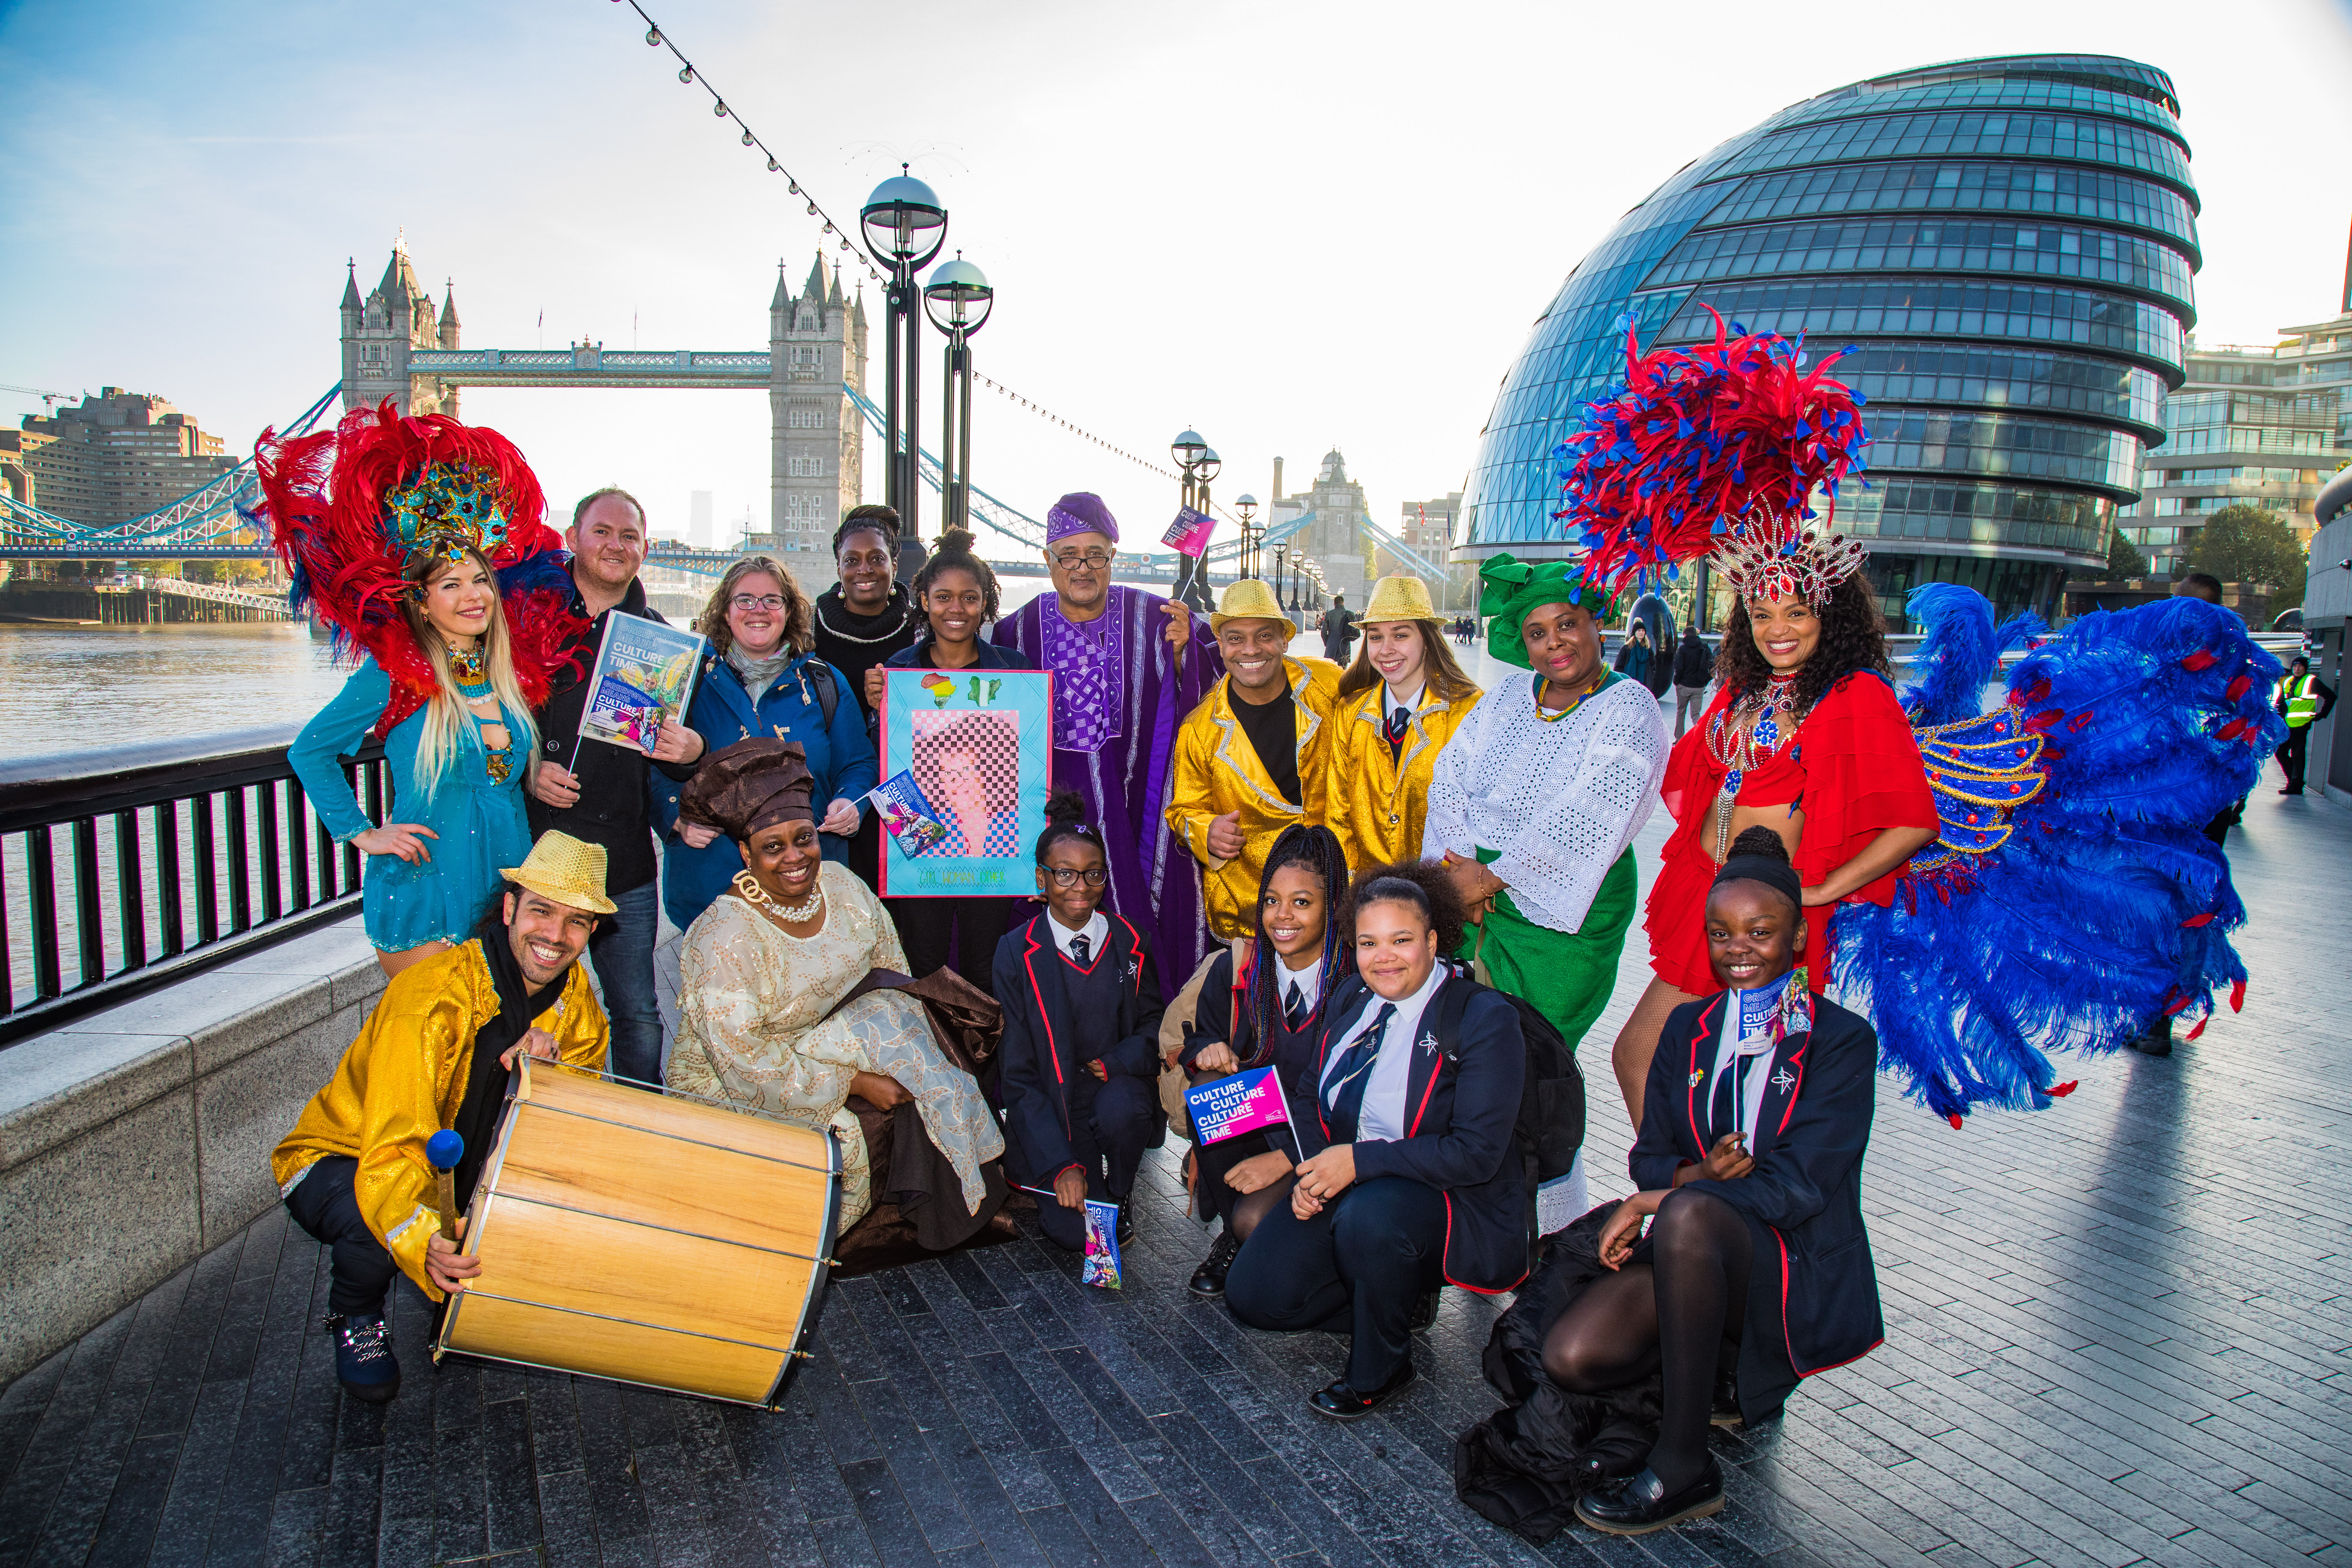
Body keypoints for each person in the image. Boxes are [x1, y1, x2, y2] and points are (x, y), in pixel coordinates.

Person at [1549, 831, 1882, 1534]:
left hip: (1786, 1267)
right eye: (1721, 931)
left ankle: (1683, 1463)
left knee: (1690, 1218)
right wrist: (1691, 1176)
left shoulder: (1841, 1040)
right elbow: (1651, 1153)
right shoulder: (1688, 1028)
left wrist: (1665, 1198)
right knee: (1571, 1355)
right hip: (1690, 1250)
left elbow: (1797, 1190)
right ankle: (1708, 1368)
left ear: (1796, 936)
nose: (1739, 947)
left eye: (1760, 931)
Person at [271, 831, 615, 1402]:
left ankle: (449, 1281)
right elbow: (392, 1142)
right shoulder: (429, 995)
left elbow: (569, 1137)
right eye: (542, 911)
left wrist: (547, 1080)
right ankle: (356, 1313)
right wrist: (426, 1238)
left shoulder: (578, 1007)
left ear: (592, 933)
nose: (555, 936)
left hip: (450, 1171)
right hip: (345, 1156)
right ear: (509, 909)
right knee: (370, 1218)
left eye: (576, 922)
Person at [1609, 530, 1936, 1125]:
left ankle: (1693, 1203)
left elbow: (1912, 822)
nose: (1777, 628)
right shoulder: (1742, 687)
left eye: (1796, 612)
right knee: (1687, 1070)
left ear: (1827, 615)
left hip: (1768, 917)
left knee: (1691, 1067)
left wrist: (1816, 892)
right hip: (1707, 896)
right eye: (1761, 613)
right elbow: (1695, 782)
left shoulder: (1855, 695)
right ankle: (1690, 1199)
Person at [267, 402, 582, 980]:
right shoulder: (395, 675)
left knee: (493, 1060)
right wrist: (363, 833)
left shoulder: (507, 679)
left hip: (504, 895)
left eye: (480, 580)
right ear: (423, 601)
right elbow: (310, 753)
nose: (473, 595)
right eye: (451, 584)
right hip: (426, 894)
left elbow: (505, 786)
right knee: (433, 1059)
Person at [1223, 870, 1527, 1419]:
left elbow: (1475, 1154)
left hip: (1448, 1200)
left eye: (1401, 940)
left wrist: (1356, 1163)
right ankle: (1393, 1296)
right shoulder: (1353, 995)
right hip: (1356, 1183)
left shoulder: (1483, 1018)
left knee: (1371, 1216)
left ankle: (1382, 1367)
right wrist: (1316, 1172)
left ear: (1434, 941)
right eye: (1369, 943)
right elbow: (1307, 1093)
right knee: (1255, 1299)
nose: (1383, 958)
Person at [666, 739, 1004, 1234]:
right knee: (844, 1129)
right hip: (737, 1081)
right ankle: (818, 1239)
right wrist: (856, 1081)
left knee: (923, 1054)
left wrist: (897, 1051)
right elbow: (745, 1065)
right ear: (745, 853)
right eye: (772, 847)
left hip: (828, 1045)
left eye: (804, 838)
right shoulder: (724, 937)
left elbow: (891, 974)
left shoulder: (842, 885)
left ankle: (961, 1195)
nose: (794, 858)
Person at [1424, 555, 1670, 1058]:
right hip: (1472, 891)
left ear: (1597, 624)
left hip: (1567, 909)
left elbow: (1591, 815)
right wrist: (1458, 872)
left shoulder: (1630, 705)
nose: (1553, 642)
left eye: (1566, 624)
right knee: (1461, 1047)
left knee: (1535, 1056)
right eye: (1536, 633)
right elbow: (1450, 776)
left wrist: (1489, 880)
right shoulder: (1509, 693)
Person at [994, 493, 1224, 978]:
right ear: (1048, 560)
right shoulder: (1014, 632)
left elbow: (1228, 673)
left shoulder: (1159, 618)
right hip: (1047, 808)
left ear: (1112, 558)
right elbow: (957, 683)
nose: (1083, 567)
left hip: (1136, 802)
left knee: (1140, 926)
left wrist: (1187, 654)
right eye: (1069, 556)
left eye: (1095, 554)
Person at [524, 487, 707, 1084]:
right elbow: (486, 722)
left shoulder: (662, 643)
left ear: (644, 551)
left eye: (629, 536)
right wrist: (529, 770)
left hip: (623, 861)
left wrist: (690, 753)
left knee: (638, 1014)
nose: (615, 545)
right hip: (537, 850)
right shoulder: (526, 624)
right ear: (572, 538)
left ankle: (639, 1124)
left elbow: (674, 759)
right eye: (602, 531)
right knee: (530, 1008)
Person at [1175, 824, 1354, 1298]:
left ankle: (1366, 1267)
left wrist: (1289, 1159)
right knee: (1208, 1086)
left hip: (1330, 1139)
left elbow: (1362, 1101)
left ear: (1332, 907)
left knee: (1255, 1223)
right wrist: (1206, 1050)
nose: (1282, 916)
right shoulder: (1238, 969)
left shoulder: (1357, 983)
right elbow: (1198, 1041)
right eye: (1272, 900)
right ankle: (1232, 1238)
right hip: (1261, 1126)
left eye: (1302, 902)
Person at [654, 555, 877, 933]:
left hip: (809, 884)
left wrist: (852, 800)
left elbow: (858, 763)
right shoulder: (684, 681)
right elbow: (648, 763)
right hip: (715, 891)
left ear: (788, 612)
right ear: (725, 612)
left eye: (772, 600)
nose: (758, 610)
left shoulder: (825, 681)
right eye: (745, 600)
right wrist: (675, 818)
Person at [995, 791, 1167, 1250]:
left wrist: (1116, 1062)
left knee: (1126, 1109)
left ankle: (1119, 1190)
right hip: (1056, 1109)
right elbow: (1017, 1074)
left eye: (1093, 874)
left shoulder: (1131, 940)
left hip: (1114, 1092)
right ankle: (1081, 1179)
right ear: (1042, 878)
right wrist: (1061, 1164)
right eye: (1065, 874)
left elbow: (1155, 1025)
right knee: (1076, 1236)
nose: (1080, 886)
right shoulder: (1015, 951)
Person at [868, 528, 1031, 994]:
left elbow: (1028, 760)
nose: (955, 609)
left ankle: (986, 1066)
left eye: (969, 598)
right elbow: (886, 763)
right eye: (942, 597)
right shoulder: (898, 670)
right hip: (919, 846)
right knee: (923, 964)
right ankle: (928, 1064)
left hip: (996, 847)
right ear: (923, 599)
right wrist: (874, 709)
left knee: (987, 967)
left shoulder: (1015, 671)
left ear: (985, 603)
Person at [1166, 579, 1344, 940]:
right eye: (1235, 639)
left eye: (1264, 636)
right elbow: (1183, 810)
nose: (1250, 650)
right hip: (1250, 906)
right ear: (1220, 646)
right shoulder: (1200, 729)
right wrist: (1207, 831)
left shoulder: (1329, 684)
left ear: (1284, 639)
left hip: (1337, 897)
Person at [1326, 574, 1483, 872]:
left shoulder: (1470, 710)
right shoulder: (1349, 711)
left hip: (1441, 897)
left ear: (1427, 639)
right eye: (1376, 637)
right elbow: (1338, 812)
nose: (1386, 650)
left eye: (1400, 635)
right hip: (1367, 897)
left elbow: (1479, 817)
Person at [812, 505, 922, 890]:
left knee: (906, 894)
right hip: (834, 789)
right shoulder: (807, 631)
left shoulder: (925, 631)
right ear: (838, 567)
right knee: (841, 895)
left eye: (877, 559)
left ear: (894, 564)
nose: (865, 569)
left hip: (908, 787)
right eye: (852, 560)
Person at [2274, 655, 2333, 796]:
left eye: (2300, 666)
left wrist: (2321, 714)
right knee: (2281, 752)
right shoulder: (2288, 681)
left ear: (2305, 668)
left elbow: (2331, 696)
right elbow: (2282, 703)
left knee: (2297, 754)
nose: (2297, 669)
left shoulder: (2311, 681)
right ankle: (2295, 782)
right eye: (2295, 666)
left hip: (2302, 723)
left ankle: (2295, 785)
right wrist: (2277, 718)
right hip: (2288, 724)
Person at [1670, 624, 1713, 740]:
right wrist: (1706, 680)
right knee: (1696, 715)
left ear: (1685, 635)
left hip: (1684, 685)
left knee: (1681, 713)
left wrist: (1677, 682)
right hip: (1699, 687)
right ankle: (1704, 737)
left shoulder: (1683, 649)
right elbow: (1713, 665)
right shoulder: (1704, 648)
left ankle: (1679, 739)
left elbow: (1679, 668)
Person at [1613, 621, 1653, 692]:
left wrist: (1651, 679)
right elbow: (1618, 667)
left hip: (1644, 685)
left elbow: (1653, 666)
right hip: (1628, 685)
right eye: (1639, 631)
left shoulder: (1648, 649)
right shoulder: (1627, 648)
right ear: (1635, 632)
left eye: (1643, 631)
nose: (1641, 633)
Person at [1318, 592, 1358, 664]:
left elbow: (1324, 632)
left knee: (1330, 668)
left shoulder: (1329, 614)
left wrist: (1327, 643)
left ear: (1335, 604)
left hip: (1332, 645)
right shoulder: (1350, 614)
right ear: (1343, 603)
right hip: (1345, 645)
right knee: (1342, 671)